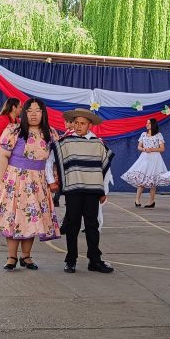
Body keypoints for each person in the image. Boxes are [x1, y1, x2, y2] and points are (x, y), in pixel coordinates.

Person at [0, 98, 61, 271]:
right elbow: (3, 156)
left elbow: (54, 161)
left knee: (31, 218)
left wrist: (53, 180)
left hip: (38, 182)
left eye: (37, 110)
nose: (33, 114)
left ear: (43, 113)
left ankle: (27, 257)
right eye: (29, 110)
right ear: (23, 113)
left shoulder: (51, 133)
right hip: (14, 180)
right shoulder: (13, 130)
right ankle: (12, 257)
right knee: (13, 218)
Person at [53, 108, 115, 273]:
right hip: (74, 189)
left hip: (93, 190)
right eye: (76, 123)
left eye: (82, 123)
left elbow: (106, 169)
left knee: (92, 224)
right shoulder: (66, 142)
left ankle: (94, 260)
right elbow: (52, 159)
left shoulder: (98, 143)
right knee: (72, 224)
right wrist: (52, 181)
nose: (78, 126)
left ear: (90, 125)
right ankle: (71, 259)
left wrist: (104, 191)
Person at [121, 118, 170, 208]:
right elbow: (139, 147)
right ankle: (137, 200)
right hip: (145, 158)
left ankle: (151, 201)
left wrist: (151, 149)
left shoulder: (158, 135)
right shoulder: (143, 134)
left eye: (148, 123)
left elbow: (162, 149)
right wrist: (143, 149)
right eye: (146, 123)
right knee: (141, 179)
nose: (146, 125)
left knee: (153, 181)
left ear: (153, 125)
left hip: (155, 159)